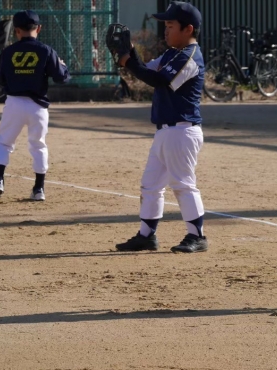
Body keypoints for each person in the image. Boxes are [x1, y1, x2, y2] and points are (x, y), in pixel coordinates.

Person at [113, 1, 208, 253]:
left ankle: (197, 236)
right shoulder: (171, 54)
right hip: (166, 131)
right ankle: (146, 235)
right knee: (151, 184)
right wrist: (131, 54)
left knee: (183, 184)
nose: (165, 30)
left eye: (170, 25)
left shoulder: (189, 57)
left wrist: (128, 62)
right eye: (165, 25)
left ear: (188, 29)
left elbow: (159, 80)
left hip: (182, 131)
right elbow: (146, 70)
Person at [0, 10, 71, 201]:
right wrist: (62, 66)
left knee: (4, 143)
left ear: (16, 30)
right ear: (38, 29)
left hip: (14, 103)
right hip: (38, 106)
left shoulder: (8, 52)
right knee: (38, 145)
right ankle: (39, 189)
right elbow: (61, 78)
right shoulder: (46, 50)